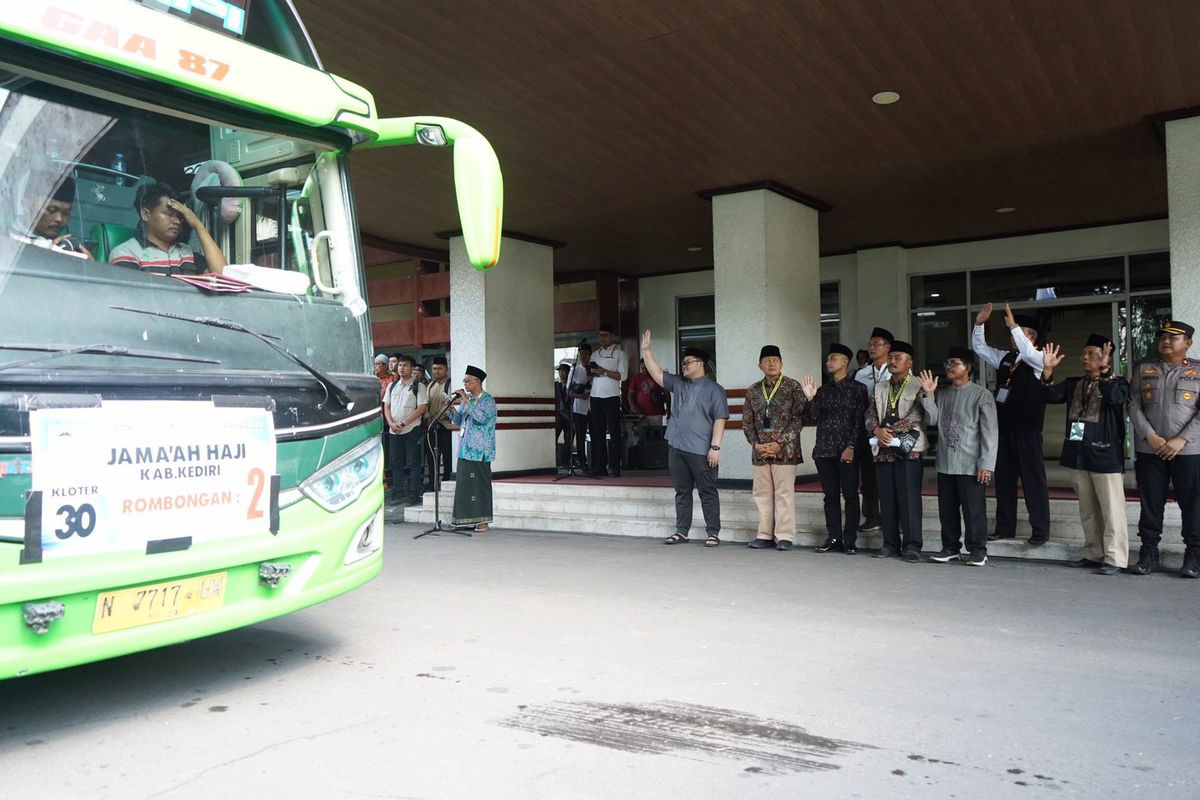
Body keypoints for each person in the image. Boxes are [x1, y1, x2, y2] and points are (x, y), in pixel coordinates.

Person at [1041, 336, 1130, 575]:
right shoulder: (1074, 384)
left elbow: (1115, 399)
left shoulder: (1118, 383)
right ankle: (1094, 553)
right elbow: (1049, 396)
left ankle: (1115, 557)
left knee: (1112, 510)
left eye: (1092, 353)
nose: (1085, 358)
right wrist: (1047, 371)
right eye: (1084, 354)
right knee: (1088, 510)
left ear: (1106, 357)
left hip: (1105, 455)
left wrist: (1105, 372)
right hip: (1079, 454)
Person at [972, 302, 1051, 546]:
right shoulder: (1006, 359)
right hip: (1004, 428)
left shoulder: (1039, 360)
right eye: (1014, 333)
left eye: (1020, 333)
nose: (1014, 337)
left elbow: (1028, 352)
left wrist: (1014, 325)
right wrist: (979, 325)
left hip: (1028, 430)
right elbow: (980, 349)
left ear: (1032, 337)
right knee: (1004, 481)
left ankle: (1040, 531)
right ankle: (1005, 527)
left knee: (1032, 481)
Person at [641, 330, 728, 548]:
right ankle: (682, 531)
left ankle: (713, 532)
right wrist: (646, 351)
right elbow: (657, 373)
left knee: (707, 491)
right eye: (684, 362)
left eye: (688, 362)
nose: (684, 366)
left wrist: (715, 447)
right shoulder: (679, 384)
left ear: (701, 364)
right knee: (682, 491)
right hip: (676, 445)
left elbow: (720, 419)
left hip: (701, 449)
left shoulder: (714, 390)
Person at [1128, 320, 1200, 578]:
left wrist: (1181, 440)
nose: (1166, 341)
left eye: (1173, 337)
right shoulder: (1144, 370)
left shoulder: (1198, 371)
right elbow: (1133, 405)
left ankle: (1194, 556)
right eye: (1163, 337)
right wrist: (1150, 436)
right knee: (1151, 504)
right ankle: (1148, 554)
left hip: (1189, 452)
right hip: (1151, 450)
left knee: (1193, 504)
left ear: (1188, 343)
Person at [919, 348, 999, 567]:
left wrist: (986, 464)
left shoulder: (982, 395)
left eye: (954, 363)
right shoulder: (943, 394)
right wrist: (929, 395)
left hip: (971, 463)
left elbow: (990, 432)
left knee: (973, 509)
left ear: (968, 367)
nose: (949, 368)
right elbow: (933, 420)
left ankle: (978, 550)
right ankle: (950, 548)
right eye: (947, 364)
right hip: (946, 462)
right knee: (947, 509)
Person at [801, 343, 870, 554]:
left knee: (850, 496)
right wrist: (810, 398)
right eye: (828, 358)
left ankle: (849, 540)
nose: (828, 362)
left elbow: (859, 421)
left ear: (845, 362)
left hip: (846, 450)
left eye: (833, 358)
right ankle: (833, 538)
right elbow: (810, 418)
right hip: (824, 451)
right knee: (830, 497)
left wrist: (850, 447)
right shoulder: (823, 390)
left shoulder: (858, 389)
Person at [741, 345, 808, 551]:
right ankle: (764, 535)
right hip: (760, 451)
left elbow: (799, 419)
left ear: (782, 364)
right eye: (767, 360)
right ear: (759, 365)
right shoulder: (753, 390)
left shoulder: (793, 386)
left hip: (786, 451)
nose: (772, 363)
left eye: (775, 360)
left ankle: (785, 536)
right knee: (761, 494)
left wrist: (780, 443)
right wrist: (756, 444)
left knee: (784, 493)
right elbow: (747, 421)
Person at [866, 339, 928, 562]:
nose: (892, 361)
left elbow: (917, 414)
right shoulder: (881, 386)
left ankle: (912, 546)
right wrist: (876, 429)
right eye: (891, 357)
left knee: (909, 499)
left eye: (897, 358)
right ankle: (890, 544)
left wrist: (888, 431)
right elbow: (870, 412)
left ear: (909, 362)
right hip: (883, 450)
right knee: (887, 498)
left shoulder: (920, 384)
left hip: (908, 449)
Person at [109, 182, 227, 275]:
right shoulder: (126, 253)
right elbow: (134, 296)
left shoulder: (187, 252)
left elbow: (223, 276)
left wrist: (198, 225)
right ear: (145, 214)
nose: (176, 221)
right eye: (169, 214)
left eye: (180, 217)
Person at [448, 366, 497, 531]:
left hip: (480, 451)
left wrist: (467, 402)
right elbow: (457, 421)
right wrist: (450, 408)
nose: (465, 384)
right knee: (464, 486)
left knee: (479, 486)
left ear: (477, 381)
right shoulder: (467, 399)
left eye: (467, 381)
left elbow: (482, 419)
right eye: (464, 381)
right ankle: (464, 519)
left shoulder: (488, 400)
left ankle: (482, 521)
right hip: (465, 449)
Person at [854, 327, 893, 533]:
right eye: (870, 343)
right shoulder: (862, 374)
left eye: (876, 343)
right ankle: (871, 517)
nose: (871, 347)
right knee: (868, 477)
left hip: (891, 432)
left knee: (889, 478)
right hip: (868, 431)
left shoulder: (897, 370)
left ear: (887, 347)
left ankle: (894, 517)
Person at [10, 174, 92, 259]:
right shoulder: (6, 239)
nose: (59, 219)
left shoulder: (69, 248)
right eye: (51, 210)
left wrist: (89, 265)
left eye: (66, 213)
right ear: (27, 205)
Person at [383, 355, 429, 507]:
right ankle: (398, 493)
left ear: (412, 368)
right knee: (397, 463)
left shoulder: (418, 386)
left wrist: (403, 423)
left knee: (414, 463)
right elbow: (386, 406)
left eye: (406, 365)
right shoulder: (392, 386)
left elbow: (422, 407)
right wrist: (391, 423)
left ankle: (413, 495)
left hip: (411, 429)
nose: (402, 368)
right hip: (393, 430)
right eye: (400, 365)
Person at [588, 323, 629, 477]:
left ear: (611, 336)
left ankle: (615, 466)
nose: (602, 338)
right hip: (595, 396)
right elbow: (592, 374)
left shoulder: (620, 354)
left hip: (611, 396)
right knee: (597, 433)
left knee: (614, 432)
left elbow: (623, 376)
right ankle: (600, 466)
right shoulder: (594, 354)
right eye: (600, 335)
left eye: (605, 335)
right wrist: (592, 372)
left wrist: (604, 372)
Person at [425, 356, 455, 485]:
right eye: (434, 369)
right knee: (431, 457)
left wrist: (436, 418)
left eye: (439, 369)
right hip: (431, 426)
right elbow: (425, 404)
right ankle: (432, 483)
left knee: (447, 456)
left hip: (445, 426)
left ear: (446, 369)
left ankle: (446, 482)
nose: (436, 371)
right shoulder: (430, 385)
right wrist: (428, 417)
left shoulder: (450, 384)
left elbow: (449, 404)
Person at [568, 343, 594, 470]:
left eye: (586, 354)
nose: (583, 356)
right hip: (579, 408)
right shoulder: (574, 370)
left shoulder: (595, 369)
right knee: (580, 436)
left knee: (596, 435)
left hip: (594, 407)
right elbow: (569, 391)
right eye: (581, 354)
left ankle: (596, 463)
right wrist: (580, 396)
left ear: (590, 355)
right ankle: (583, 463)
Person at [375, 353, 396, 493]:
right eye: (375, 364)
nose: (376, 367)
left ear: (385, 365)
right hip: (375, 419)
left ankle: (389, 481)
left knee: (389, 452)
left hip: (389, 420)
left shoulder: (392, 379)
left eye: (379, 364)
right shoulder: (372, 379)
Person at [556, 362, 573, 466]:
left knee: (569, 440)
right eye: (560, 371)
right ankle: (555, 461)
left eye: (564, 371)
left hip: (570, 416)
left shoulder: (572, 386)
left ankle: (565, 462)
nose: (561, 373)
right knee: (553, 438)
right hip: (558, 416)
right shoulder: (555, 385)